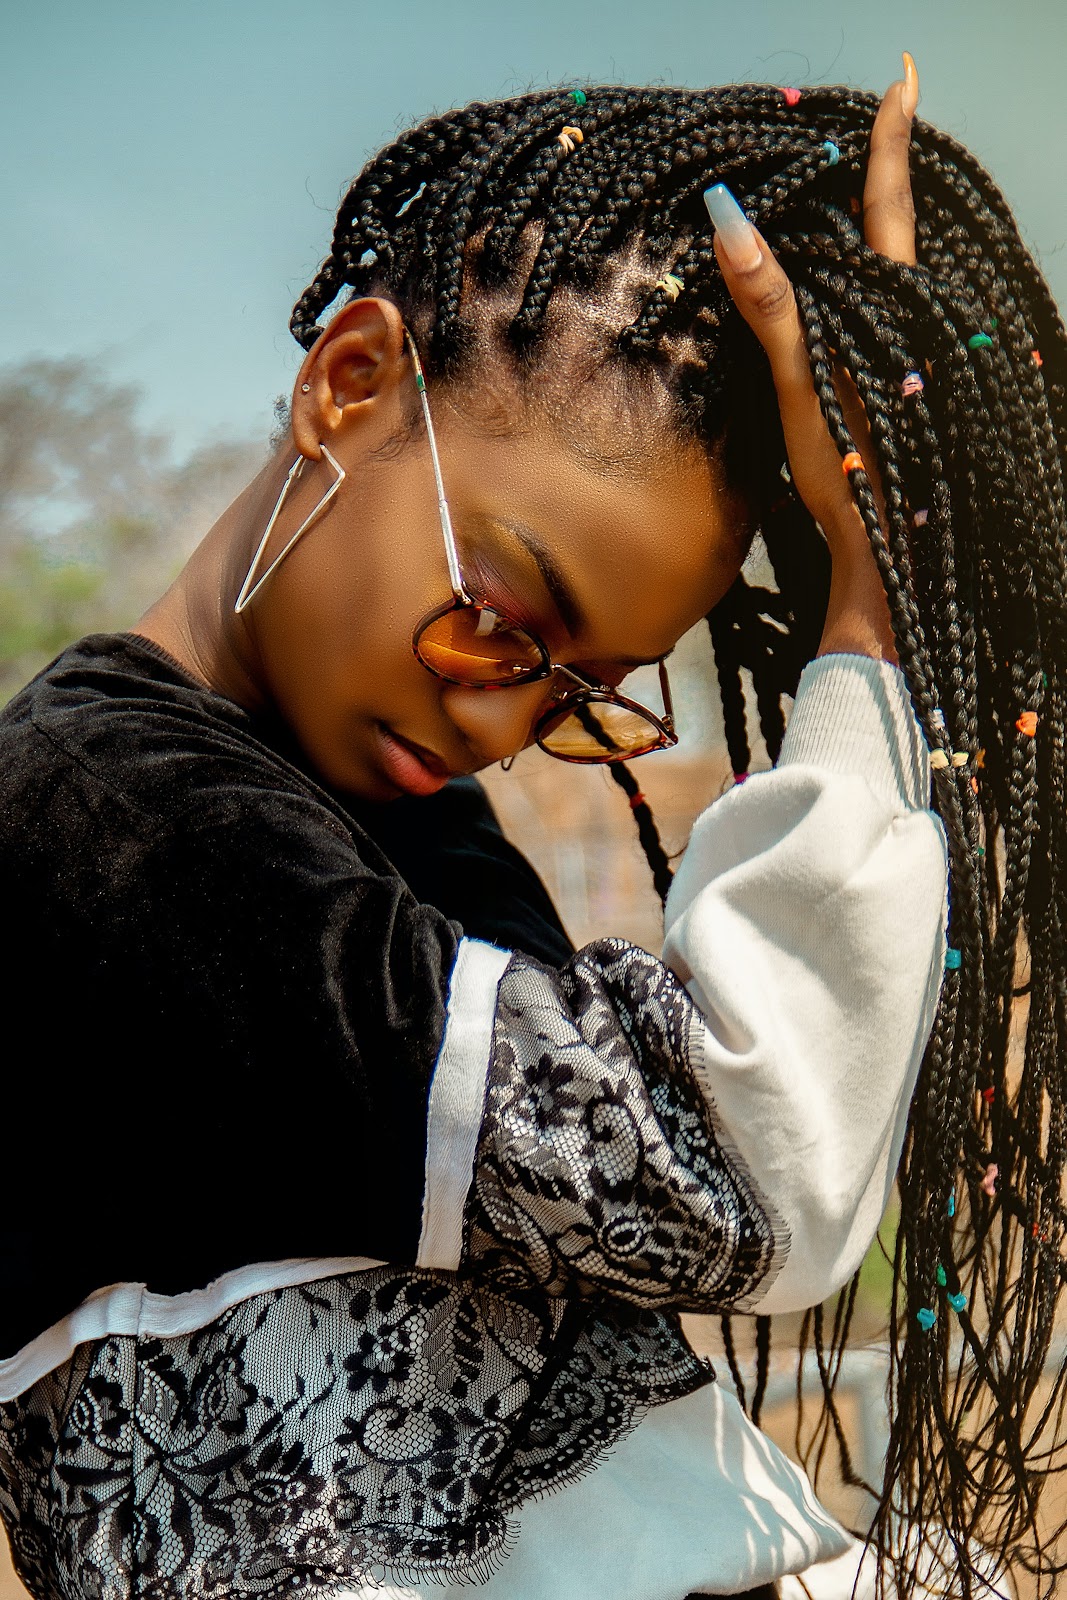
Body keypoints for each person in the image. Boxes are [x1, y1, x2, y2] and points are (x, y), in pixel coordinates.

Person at [0, 55, 1062, 1600]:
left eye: (584, 695)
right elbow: (736, 1165)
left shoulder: (398, 825)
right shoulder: (104, 815)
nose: (503, 721)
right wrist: (875, 598)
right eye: (505, 617)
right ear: (348, 385)